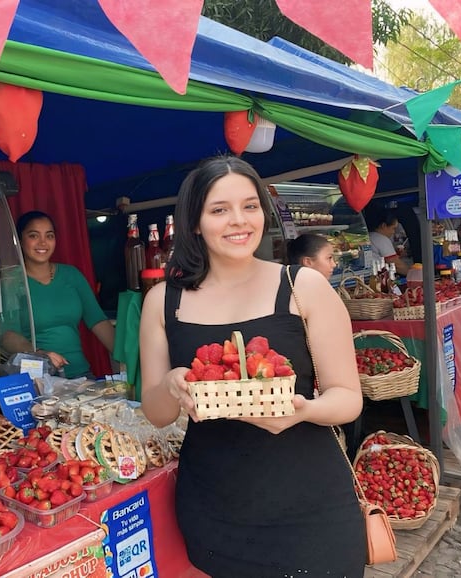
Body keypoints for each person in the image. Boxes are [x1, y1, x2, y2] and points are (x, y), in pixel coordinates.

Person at [138, 155, 365, 576]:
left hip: (311, 507)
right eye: (219, 210)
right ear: (194, 222)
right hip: (213, 505)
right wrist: (171, 384)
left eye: (250, 205)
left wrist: (305, 410)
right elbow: (156, 414)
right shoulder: (162, 302)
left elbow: (348, 398)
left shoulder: (303, 286)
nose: (238, 221)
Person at [2, 210, 115, 378]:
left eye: (49, 236)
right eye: (34, 236)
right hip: (37, 379)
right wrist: (39, 354)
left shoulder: (71, 275)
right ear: (19, 240)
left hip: (81, 376)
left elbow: (97, 320)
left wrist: (129, 356)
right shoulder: (11, 281)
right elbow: (7, 335)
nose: (43, 243)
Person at [368, 209, 410, 276]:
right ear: (383, 225)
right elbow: (396, 264)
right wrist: (414, 274)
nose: (393, 232)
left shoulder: (370, 236)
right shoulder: (380, 239)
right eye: (393, 228)